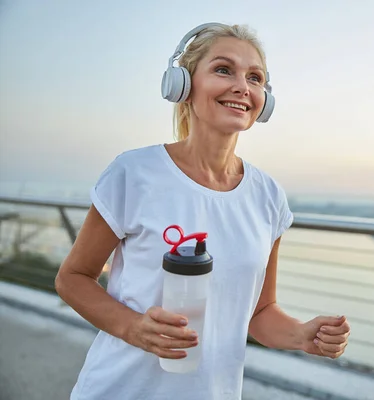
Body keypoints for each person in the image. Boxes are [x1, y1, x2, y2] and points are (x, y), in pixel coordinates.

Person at [54, 22, 351, 400]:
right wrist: (134, 328)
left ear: (264, 99)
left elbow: (259, 314)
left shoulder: (268, 196)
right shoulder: (134, 173)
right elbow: (73, 278)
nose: (243, 86)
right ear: (183, 86)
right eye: (223, 70)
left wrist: (302, 334)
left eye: (255, 77)